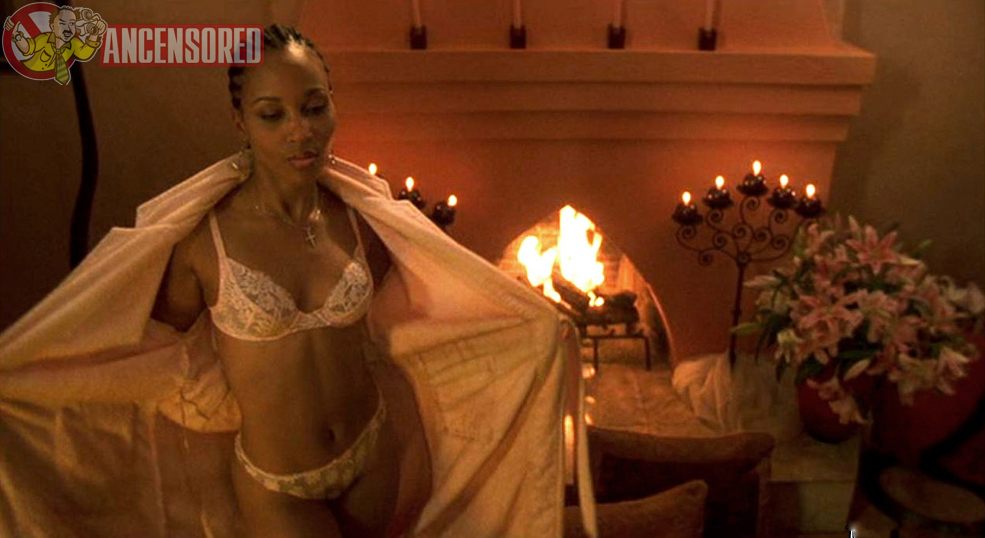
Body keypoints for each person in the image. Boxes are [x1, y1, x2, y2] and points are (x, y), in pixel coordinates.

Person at [0, 24, 596, 538]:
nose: (300, 131)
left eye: (314, 107)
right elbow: (155, 354)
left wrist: (534, 329)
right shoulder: (203, 244)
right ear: (240, 122)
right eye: (272, 114)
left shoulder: (363, 222)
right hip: (278, 485)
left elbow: (428, 308)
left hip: (373, 454)